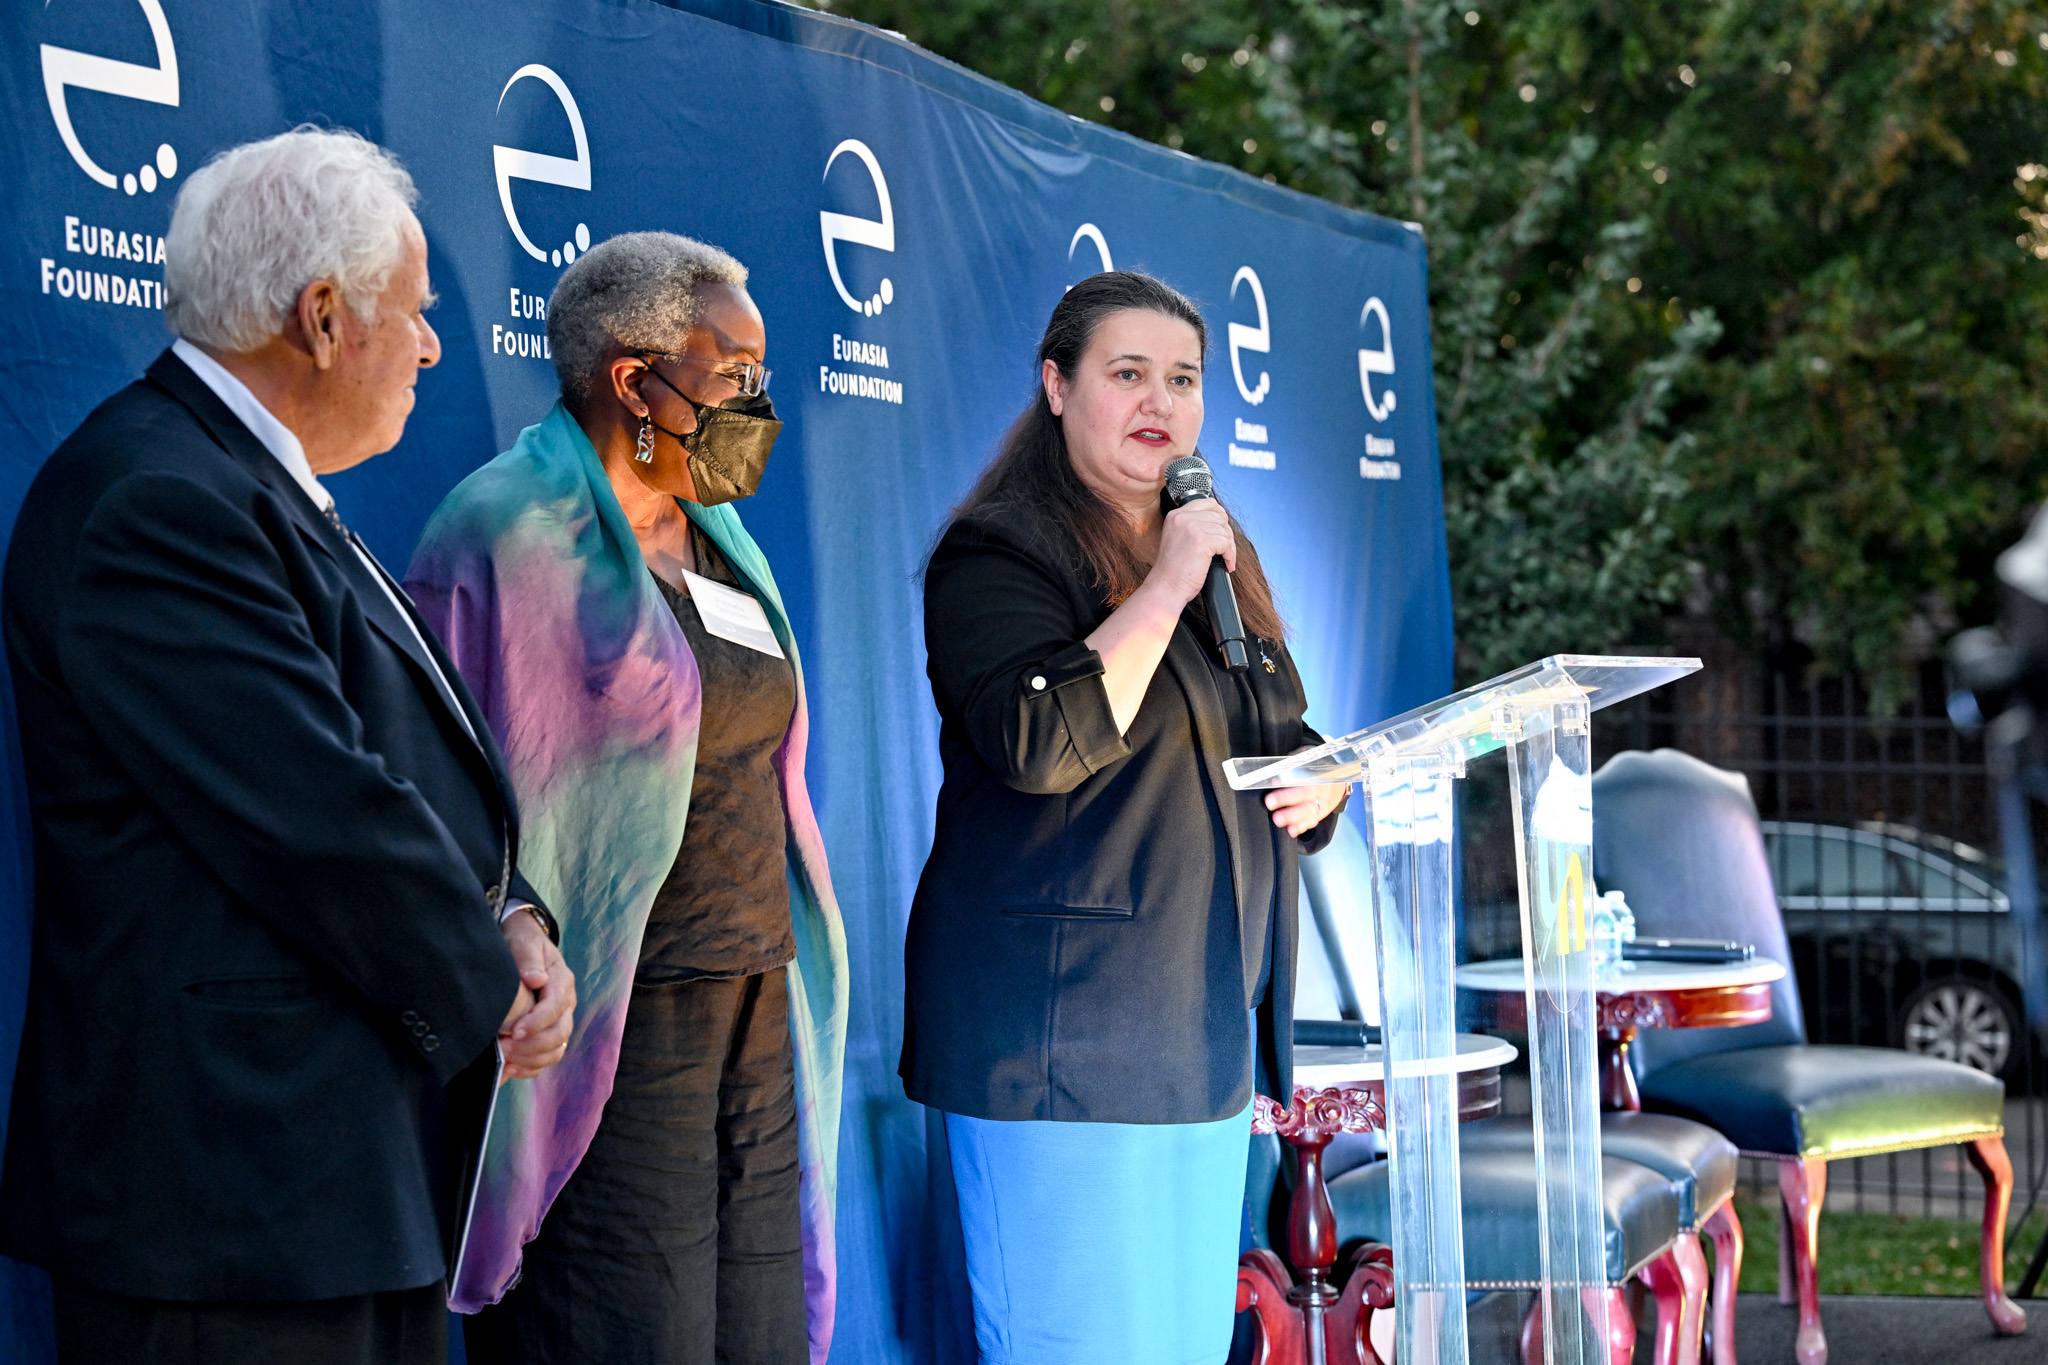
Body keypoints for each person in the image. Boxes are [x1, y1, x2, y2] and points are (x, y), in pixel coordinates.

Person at [0, 128, 575, 1365]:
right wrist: (490, 985)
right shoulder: (155, 501)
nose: (430, 344)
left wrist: (516, 917)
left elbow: (412, 766)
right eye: (414, 312)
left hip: (331, 1191)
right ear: (322, 317)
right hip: (232, 1208)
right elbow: (321, 820)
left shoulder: (244, 487)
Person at [404, 232, 848, 1365]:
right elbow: (436, 795)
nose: (755, 399)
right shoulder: (502, 530)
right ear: (631, 377)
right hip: (613, 1018)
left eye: (759, 374)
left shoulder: (717, 532)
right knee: (618, 1330)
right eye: (731, 373)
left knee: (758, 1337)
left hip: (753, 1000)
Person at [900, 270, 1350, 1364]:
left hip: (1195, 1030)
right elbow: (1037, 742)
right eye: (1127, 373)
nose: (1161, 400)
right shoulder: (1000, 552)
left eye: (1183, 379)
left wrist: (1327, 775)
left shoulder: (1211, 549)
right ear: (1055, 387)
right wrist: (1161, 585)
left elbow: (1273, 732)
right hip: (1061, 1047)